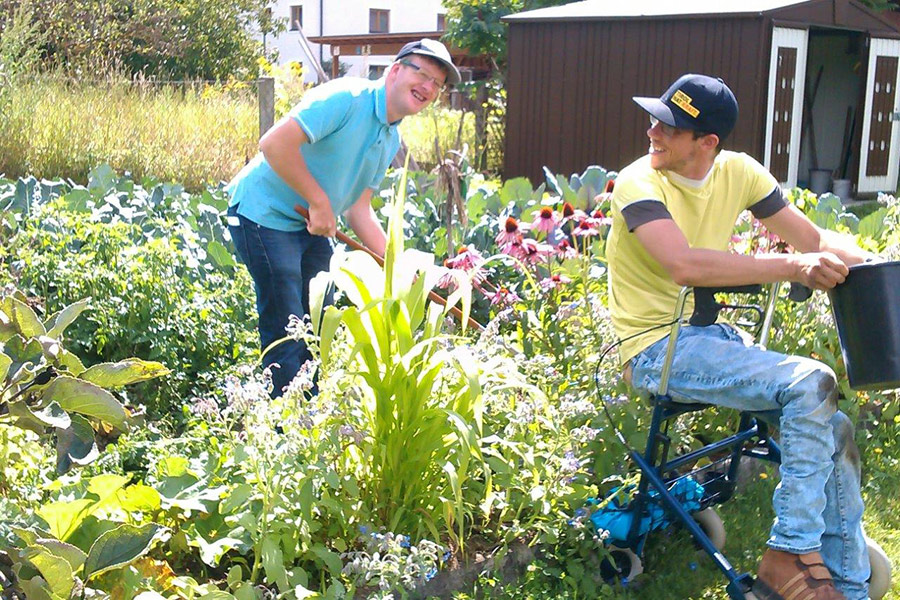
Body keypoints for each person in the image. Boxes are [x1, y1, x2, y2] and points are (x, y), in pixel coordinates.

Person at [607, 74, 878, 600]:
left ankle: (847, 586)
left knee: (836, 429)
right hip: (654, 349)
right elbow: (683, 264)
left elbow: (814, 239)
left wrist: (881, 270)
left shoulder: (740, 172)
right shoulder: (637, 182)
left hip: (715, 338)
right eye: (656, 118)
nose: (652, 130)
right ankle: (790, 553)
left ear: (707, 143)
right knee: (811, 382)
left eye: (670, 125)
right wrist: (792, 267)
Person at [226, 39, 460, 397]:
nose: (428, 87)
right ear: (395, 70)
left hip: (311, 225)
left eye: (437, 84)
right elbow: (273, 144)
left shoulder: (390, 137)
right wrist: (318, 200)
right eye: (422, 73)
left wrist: (398, 266)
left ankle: (310, 413)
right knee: (288, 326)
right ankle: (282, 427)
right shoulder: (346, 100)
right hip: (264, 214)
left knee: (320, 322)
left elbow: (359, 210)